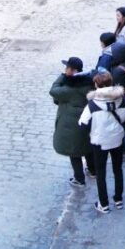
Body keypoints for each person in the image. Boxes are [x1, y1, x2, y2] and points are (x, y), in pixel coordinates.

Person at [79, 72, 125, 213]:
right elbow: (124, 118)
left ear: (96, 85)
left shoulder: (92, 105)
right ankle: (118, 199)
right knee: (118, 169)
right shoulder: (122, 100)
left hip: (99, 142)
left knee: (101, 173)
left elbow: (83, 124)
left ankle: (104, 204)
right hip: (117, 140)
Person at [49, 57, 95, 186]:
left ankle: (79, 178)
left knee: (74, 152)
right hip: (86, 123)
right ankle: (93, 170)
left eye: (67, 68)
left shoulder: (70, 89)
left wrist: (62, 76)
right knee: (87, 147)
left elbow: (53, 90)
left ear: (72, 70)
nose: (65, 70)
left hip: (72, 126)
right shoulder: (88, 83)